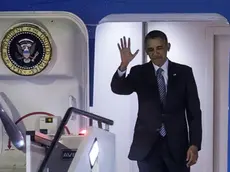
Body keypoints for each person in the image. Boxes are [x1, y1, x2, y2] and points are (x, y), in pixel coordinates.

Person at [110, 30, 202, 172]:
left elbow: (194, 112)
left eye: (159, 48)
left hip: (177, 148)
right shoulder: (139, 72)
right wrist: (123, 65)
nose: (155, 53)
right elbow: (118, 88)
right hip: (147, 148)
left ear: (168, 47)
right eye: (151, 50)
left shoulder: (184, 72)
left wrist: (194, 144)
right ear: (147, 52)